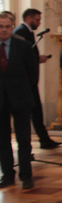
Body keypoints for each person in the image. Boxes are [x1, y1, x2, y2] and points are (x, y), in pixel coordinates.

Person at [14, 8, 61, 149]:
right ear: (29, 18)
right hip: (25, 82)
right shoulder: (20, 32)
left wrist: (36, 58)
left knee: (37, 111)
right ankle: (40, 141)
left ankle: (44, 139)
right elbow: (20, 58)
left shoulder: (27, 32)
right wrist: (36, 58)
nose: (39, 23)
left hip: (31, 82)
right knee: (33, 112)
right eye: (37, 20)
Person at [0, 12, 37, 189]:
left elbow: (33, 74)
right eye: (0, 27)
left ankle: (26, 175)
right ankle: (7, 175)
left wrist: (22, 90)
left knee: (24, 139)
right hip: (0, 100)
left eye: (7, 26)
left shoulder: (23, 46)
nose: (4, 30)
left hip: (21, 98)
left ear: (12, 26)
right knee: (2, 139)